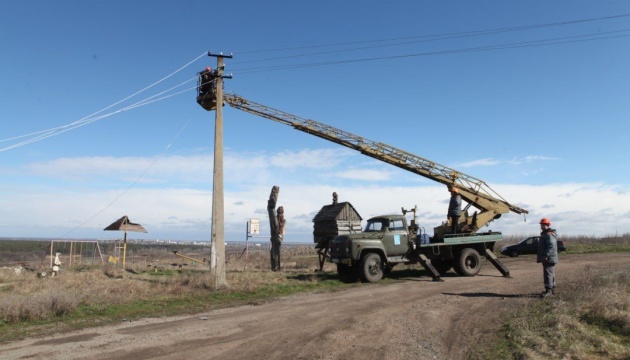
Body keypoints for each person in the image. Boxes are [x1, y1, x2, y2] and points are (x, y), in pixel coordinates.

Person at [537, 218, 559, 298]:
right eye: (541, 225)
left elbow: (551, 246)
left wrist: (546, 255)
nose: (542, 226)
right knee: (550, 273)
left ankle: (549, 290)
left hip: (548, 257)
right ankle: (552, 289)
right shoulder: (545, 233)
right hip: (548, 257)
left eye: (544, 225)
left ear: (548, 225)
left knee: (548, 273)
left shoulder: (549, 234)